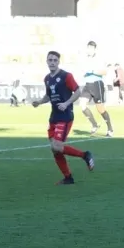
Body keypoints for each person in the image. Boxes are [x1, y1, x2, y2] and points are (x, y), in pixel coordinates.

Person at [32, 51, 95, 184]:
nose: (52, 62)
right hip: (54, 117)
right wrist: (39, 102)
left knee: (57, 146)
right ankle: (68, 177)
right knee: (55, 150)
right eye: (50, 60)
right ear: (47, 61)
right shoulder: (47, 78)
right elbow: (48, 96)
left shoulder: (66, 76)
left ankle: (85, 155)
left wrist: (66, 103)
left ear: (58, 62)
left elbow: (77, 91)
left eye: (55, 60)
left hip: (65, 116)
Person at [79, 40, 114, 136]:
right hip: (87, 85)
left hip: (97, 84)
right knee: (82, 105)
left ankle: (110, 129)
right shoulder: (85, 59)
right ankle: (94, 124)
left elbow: (105, 72)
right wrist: (84, 73)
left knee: (100, 109)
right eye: (88, 48)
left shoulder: (99, 59)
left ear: (95, 49)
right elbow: (84, 71)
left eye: (91, 48)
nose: (89, 50)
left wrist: (92, 71)